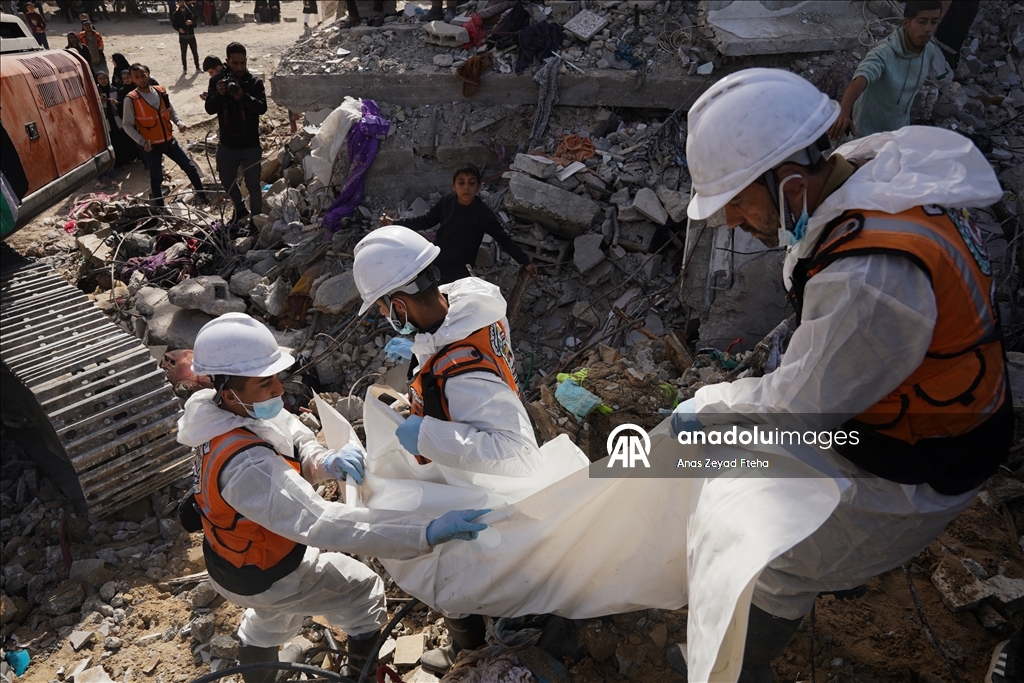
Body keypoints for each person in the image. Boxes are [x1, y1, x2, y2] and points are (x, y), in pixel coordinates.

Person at [666, 67, 1012, 683]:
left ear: (789, 181)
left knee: (768, 556)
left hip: (922, 460)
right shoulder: (869, 169)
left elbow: (797, 413)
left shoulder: (869, 281)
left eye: (738, 202)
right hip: (916, 412)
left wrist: (709, 412)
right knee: (724, 468)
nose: (733, 223)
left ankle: (736, 668)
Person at [178, 312, 489, 682]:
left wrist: (323, 459)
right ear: (230, 393)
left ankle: (261, 668)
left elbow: (288, 431)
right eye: (265, 384)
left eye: (277, 377)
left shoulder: (219, 416)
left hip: (235, 561)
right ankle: (361, 679)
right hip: (270, 571)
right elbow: (320, 522)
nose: (278, 389)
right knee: (364, 592)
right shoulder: (249, 467)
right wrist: (423, 532)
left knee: (271, 615)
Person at [353, 226, 545, 674]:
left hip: (483, 485)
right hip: (469, 461)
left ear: (398, 304)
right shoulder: (468, 305)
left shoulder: (461, 375)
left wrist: (425, 434)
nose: (383, 316)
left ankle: (473, 649)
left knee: (447, 565)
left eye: (383, 308)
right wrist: (418, 404)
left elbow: (517, 455)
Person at [380, 164, 538, 285]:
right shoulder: (447, 202)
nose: (466, 187)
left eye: (471, 183)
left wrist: (525, 262)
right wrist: (395, 223)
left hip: (461, 271)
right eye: (461, 183)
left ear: (479, 186)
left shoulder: (483, 214)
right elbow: (425, 221)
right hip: (437, 262)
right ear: (453, 186)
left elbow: (503, 239)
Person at [828, 0, 949, 140]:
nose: (928, 28)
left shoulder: (929, 50)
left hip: (898, 130)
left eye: (934, 22)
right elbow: (861, 78)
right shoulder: (884, 53)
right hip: (867, 133)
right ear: (906, 23)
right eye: (922, 21)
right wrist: (843, 113)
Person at [122, 63, 207, 206]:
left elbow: (170, 110)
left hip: (169, 141)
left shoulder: (160, 91)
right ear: (133, 79)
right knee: (156, 178)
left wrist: (179, 122)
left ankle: (203, 197)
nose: (141, 79)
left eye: (143, 75)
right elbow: (127, 125)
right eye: (137, 77)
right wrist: (142, 142)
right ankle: (161, 209)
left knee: (190, 168)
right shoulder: (131, 99)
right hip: (152, 146)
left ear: (148, 74)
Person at [205, 42, 267, 224]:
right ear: (227, 61)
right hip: (227, 144)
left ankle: (256, 220)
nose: (239, 67)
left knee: (254, 185)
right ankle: (240, 210)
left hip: (250, 145)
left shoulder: (254, 82)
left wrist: (243, 96)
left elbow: (262, 108)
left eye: (242, 63)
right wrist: (218, 94)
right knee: (227, 180)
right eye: (235, 63)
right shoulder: (217, 81)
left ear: (246, 61)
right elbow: (209, 108)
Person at [171, 0, 200, 73]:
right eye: (180, 2)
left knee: (195, 52)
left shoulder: (190, 13)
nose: (182, 4)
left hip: (191, 36)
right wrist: (179, 29)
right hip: (182, 37)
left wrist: (191, 22)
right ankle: (185, 68)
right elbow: (174, 25)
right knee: (183, 53)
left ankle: (197, 67)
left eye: (183, 2)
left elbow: (195, 24)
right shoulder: (176, 14)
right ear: (178, 4)